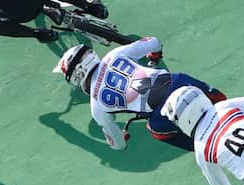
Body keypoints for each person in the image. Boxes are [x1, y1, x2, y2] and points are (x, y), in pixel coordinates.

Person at [54, 38, 225, 151]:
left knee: (155, 130)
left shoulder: (96, 106)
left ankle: (207, 147)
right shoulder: (113, 55)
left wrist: (122, 136)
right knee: (224, 104)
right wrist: (155, 54)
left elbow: (118, 145)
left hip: (162, 112)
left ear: (77, 76)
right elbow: (153, 42)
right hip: (177, 81)